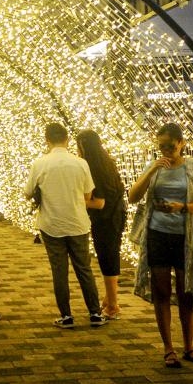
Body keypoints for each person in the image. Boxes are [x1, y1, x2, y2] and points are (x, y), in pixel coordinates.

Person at [128, 122, 193, 368]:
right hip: (157, 234)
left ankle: (189, 347)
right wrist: (151, 171)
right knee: (161, 291)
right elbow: (133, 197)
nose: (166, 150)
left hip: (186, 237)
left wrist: (183, 207)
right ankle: (168, 348)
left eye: (171, 146)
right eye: (161, 146)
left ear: (181, 143)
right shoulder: (154, 167)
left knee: (186, 292)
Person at [24, 122, 107, 329]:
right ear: (67, 139)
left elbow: (27, 193)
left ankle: (67, 316)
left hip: (51, 224)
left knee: (59, 271)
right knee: (84, 269)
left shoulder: (39, 164)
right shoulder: (80, 163)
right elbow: (88, 194)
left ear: (47, 140)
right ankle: (95, 313)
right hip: (78, 222)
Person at [75, 129, 128, 320]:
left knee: (108, 257)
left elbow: (99, 202)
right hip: (117, 214)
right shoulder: (106, 162)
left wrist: (75, 201)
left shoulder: (92, 167)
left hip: (105, 217)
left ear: (83, 146)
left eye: (79, 145)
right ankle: (109, 299)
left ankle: (113, 304)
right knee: (111, 254)